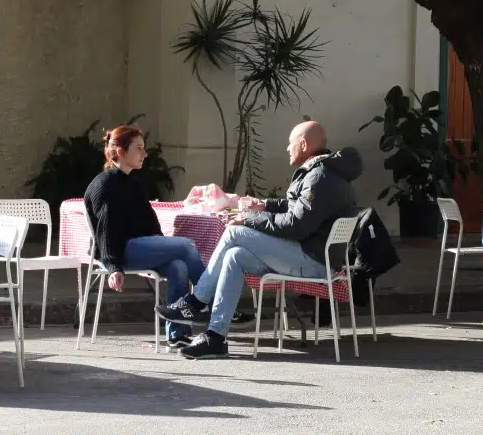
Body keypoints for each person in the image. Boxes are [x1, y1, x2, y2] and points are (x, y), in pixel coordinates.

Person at [158, 121, 362, 359]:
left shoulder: (320, 177)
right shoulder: (324, 171)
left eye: (290, 142)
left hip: (312, 259)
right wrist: (264, 205)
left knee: (235, 232)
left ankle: (196, 302)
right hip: (311, 253)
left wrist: (250, 218)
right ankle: (215, 337)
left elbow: (297, 225)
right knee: (235, 257)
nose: (287, 148)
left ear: (304, 144)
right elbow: (299, 208)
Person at [84, 126, 206, 344]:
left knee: (179, 265)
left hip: (139, 248)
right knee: (186, 245)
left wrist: (163, 248)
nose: (144, 153)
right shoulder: (105, 185)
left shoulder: (133, 183)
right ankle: (209, 301)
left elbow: (150, 225)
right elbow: (106, 231)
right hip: (120, 252)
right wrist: (113, 267)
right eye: (138, 148)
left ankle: (177, 335)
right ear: (121, 152)